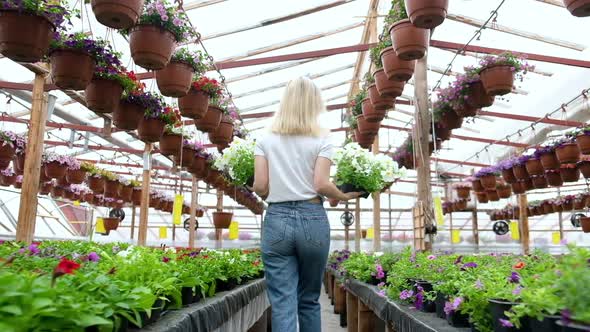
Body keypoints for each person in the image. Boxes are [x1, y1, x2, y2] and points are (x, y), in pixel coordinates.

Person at [253, 77, 360, 332]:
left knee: (282, 302)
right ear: (314, 104)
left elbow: (259, 186)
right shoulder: (322, 139)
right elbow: (322, 184)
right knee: (310, 299)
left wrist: (274, 190)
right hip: (312, 218)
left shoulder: (265, 140)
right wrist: (342, 196)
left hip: (277, 218)